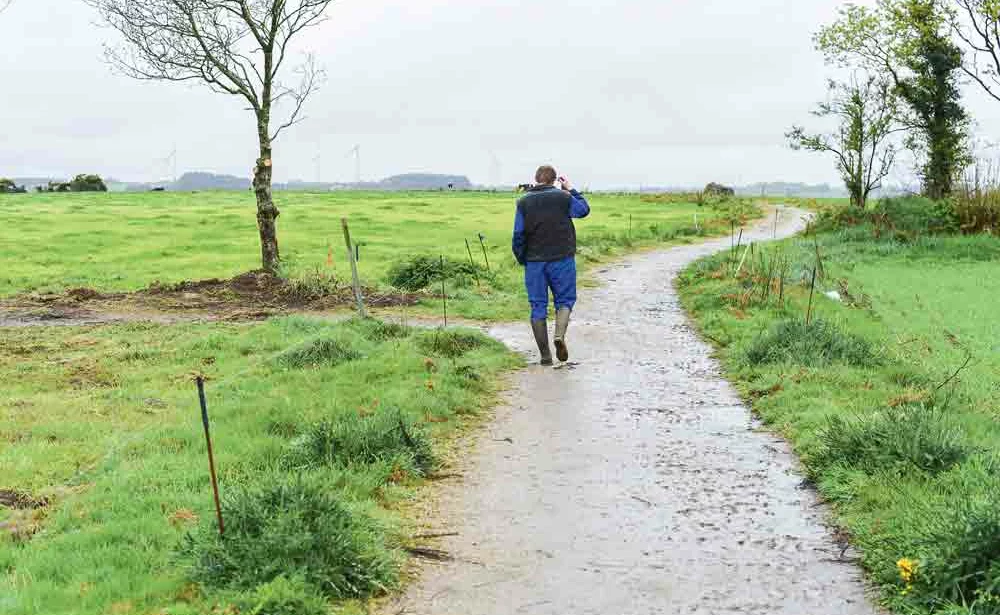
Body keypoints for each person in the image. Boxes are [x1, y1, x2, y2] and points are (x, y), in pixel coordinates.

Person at [511, 165, 590, 365]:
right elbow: (583, 210)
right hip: (562, 258)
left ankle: (545, 356)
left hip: (535, 262)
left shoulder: (523, 202)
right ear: (555, 180)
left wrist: (523, 258)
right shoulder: (563, 198)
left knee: (537, 306)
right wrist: (570, 189)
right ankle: (559, 336)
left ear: (536, 179)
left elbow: (518, 235)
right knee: (564, 300)